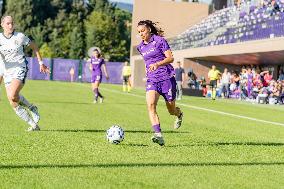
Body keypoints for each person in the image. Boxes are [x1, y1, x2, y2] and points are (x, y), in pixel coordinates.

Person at [137, 20, 183, 146]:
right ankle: (158, 134)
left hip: (167, 78)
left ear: (149, 30)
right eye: (139, 32)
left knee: (171, 110)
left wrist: (157, 64)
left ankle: (179, 114)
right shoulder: (140, 47)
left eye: (143, 31)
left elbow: (170, 58)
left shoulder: (159, 41)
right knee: (151, 105)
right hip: (152, 80)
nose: (141, 34)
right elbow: (148, 63)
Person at [0, 15, 50, 131]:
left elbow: (35, 47)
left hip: (20, 68)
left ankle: (31, 107)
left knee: (12, 95)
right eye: (8, 23)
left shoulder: (20, 36)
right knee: (13, 102)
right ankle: (33, 124)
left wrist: (41, 63)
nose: (11, 25)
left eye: (12, 23)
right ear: (2, 25)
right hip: (7, 71)